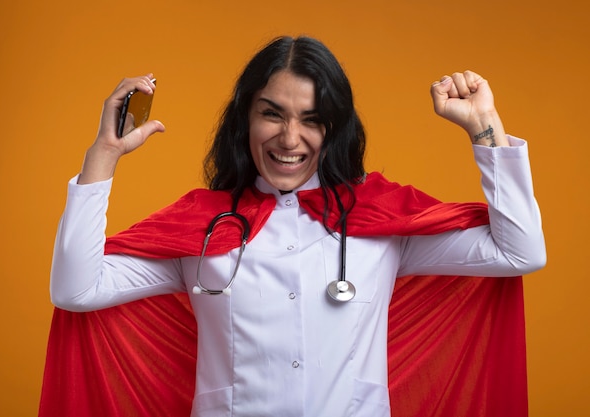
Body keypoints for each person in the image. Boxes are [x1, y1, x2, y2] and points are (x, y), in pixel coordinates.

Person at [47, 36, 546, 417]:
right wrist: (103, 156)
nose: (290, 137)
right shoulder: (200, 228)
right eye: (272, 114)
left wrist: (485, 127)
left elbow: (519, 253)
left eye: (312, 119)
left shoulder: (381, 222)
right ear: (246, 120)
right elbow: (76, 288)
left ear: (335, 128)